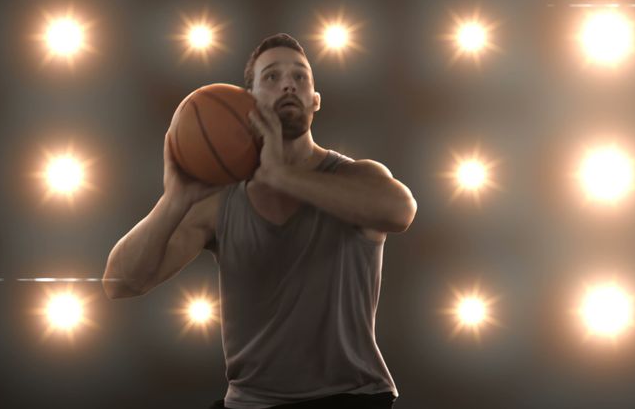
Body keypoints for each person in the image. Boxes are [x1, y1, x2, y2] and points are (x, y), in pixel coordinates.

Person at [103, 33, 416, 409]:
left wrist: (281, 175)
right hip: (249, 402)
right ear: (246, 102)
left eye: (301, 77)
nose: (289, 83)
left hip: (350, 396)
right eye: (271, 76)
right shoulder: (221, 200)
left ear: (315, 100)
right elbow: (121, 283)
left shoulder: (357, 177)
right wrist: (174, 199)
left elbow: (400, 211)